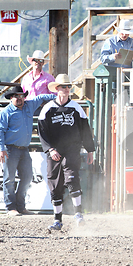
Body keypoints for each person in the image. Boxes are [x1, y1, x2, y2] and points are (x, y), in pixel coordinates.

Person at [38, 74, 95, 231]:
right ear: (57, 89)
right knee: (55, 185)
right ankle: (57, 220)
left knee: (71, 178)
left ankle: (78, 214)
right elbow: (42, 132)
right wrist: (50, 149)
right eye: (64, 87)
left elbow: (85, 130)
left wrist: (90, 149)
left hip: (72, 149)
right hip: (54, 150)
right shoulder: (48, 109)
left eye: (68, 86)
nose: (67, 89)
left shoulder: (76, 108)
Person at [0, 86, 55, 216]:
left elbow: (42, 97)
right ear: (11, 98)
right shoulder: (6, 113)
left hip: (24, 149)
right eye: (16, 96)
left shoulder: (29, 106)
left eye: (21, 96)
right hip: (10, 149)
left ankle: (20, 207)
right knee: (9, 179)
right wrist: (1, 149)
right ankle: (11, 208)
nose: (19, 98)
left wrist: (58, 97)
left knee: (27, 177)